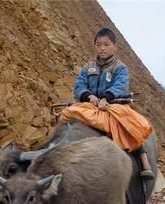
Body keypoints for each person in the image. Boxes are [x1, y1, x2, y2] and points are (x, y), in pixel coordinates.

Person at [59, 28, 154, 179]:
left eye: (106, 44)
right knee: (67, 114)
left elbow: (120, 85)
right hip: (90, 105)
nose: (102, 48)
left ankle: (143, 161)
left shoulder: (120, 68)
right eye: (98, 45)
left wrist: (105, 98)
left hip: (113, 104)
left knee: (128, 124)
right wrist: (89, 96)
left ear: (114, 47)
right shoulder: (88, 67)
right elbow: (79, 86)